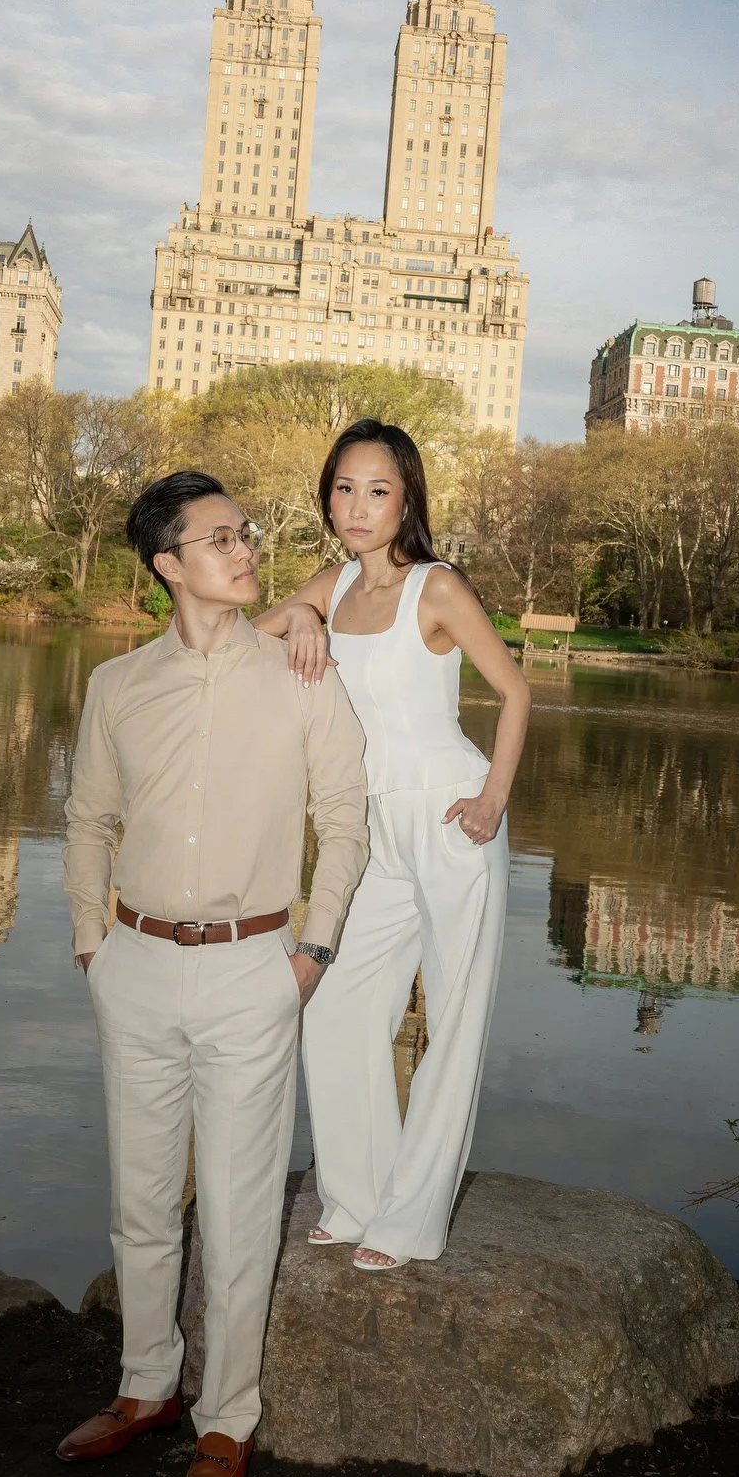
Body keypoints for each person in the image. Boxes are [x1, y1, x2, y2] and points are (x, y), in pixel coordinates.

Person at [60, 471, 368, 1477]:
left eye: (246, 534)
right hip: (136, 965)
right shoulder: (116, 685)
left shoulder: (302, 673)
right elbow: (87, 820)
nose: (245, 551)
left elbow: (345, 818)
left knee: (238, 1214)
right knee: (141, 1203)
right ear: (168, 565)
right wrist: (92, 946)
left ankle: (227, 1419)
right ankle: (145, 1386)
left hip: (253, 970)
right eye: (221, 538)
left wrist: (311, 954)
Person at [255, 420, 531, 1271]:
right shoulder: (331, 585)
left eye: (377, 490)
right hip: (368, 828)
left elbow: (516, 693)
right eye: (344, 488)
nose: (357, 506)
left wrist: (493, 798)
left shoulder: (437, 588)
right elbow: (243, 645)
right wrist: (298, 612)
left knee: (453, 1019)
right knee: (335, 1006)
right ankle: (356, 1198)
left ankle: (411, 1224)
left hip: (452, 820)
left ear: (406, 498)